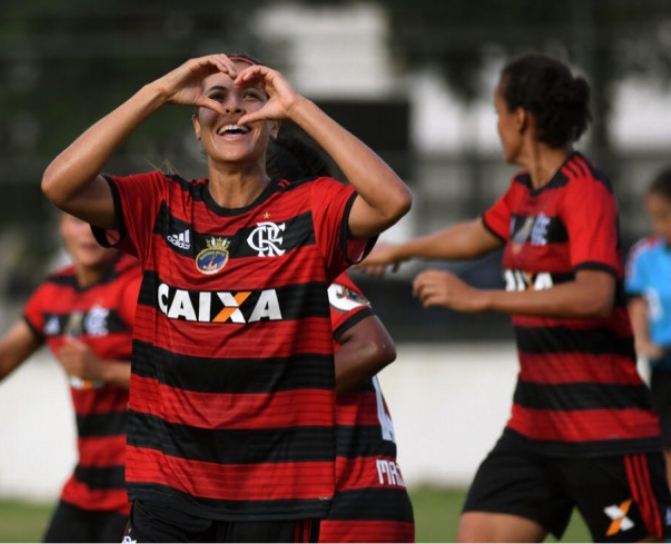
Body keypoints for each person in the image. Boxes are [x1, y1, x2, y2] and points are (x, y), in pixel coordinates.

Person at [41, 53, 412, 542]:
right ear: (196, 125)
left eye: (252, 98)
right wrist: (158, 91)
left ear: (273, 124)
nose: (233, 108)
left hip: (274, 491)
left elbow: (393, 200)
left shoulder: (308, 208)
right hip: (168, 484)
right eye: (215, 98)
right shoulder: (161, 203)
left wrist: (298, 105)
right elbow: (59, 184)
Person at [358, 53, 671, 543]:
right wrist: (403, 250)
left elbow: (595, 294)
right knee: (479, 535)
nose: (497, 124)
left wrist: (482, 299)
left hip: (603, 431)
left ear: (520, 117)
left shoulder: (584, 190)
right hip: (535, 428)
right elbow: (476, 234)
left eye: (498, 112)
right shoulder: (526, 190)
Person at [0, 212, 142, 543]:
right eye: (76, 220)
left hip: (139, 487)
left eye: (97, 221)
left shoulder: (135, 284)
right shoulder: (53, 293)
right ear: (60, 228)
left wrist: (104, 370)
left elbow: (182, 377)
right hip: (86, 488)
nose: (87, 231)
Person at [267, 136, 415, 543]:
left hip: (345, 501)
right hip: (346, 498)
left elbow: (373, 346)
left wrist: (272, 392)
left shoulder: (306, 267)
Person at [626, 167, 671, 492]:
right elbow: (638, 301)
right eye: (655, 218)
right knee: (666, 444)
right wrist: (642, 340)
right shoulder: (646, 255)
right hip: (665, 367)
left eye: (666, 217)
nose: (660, 227)